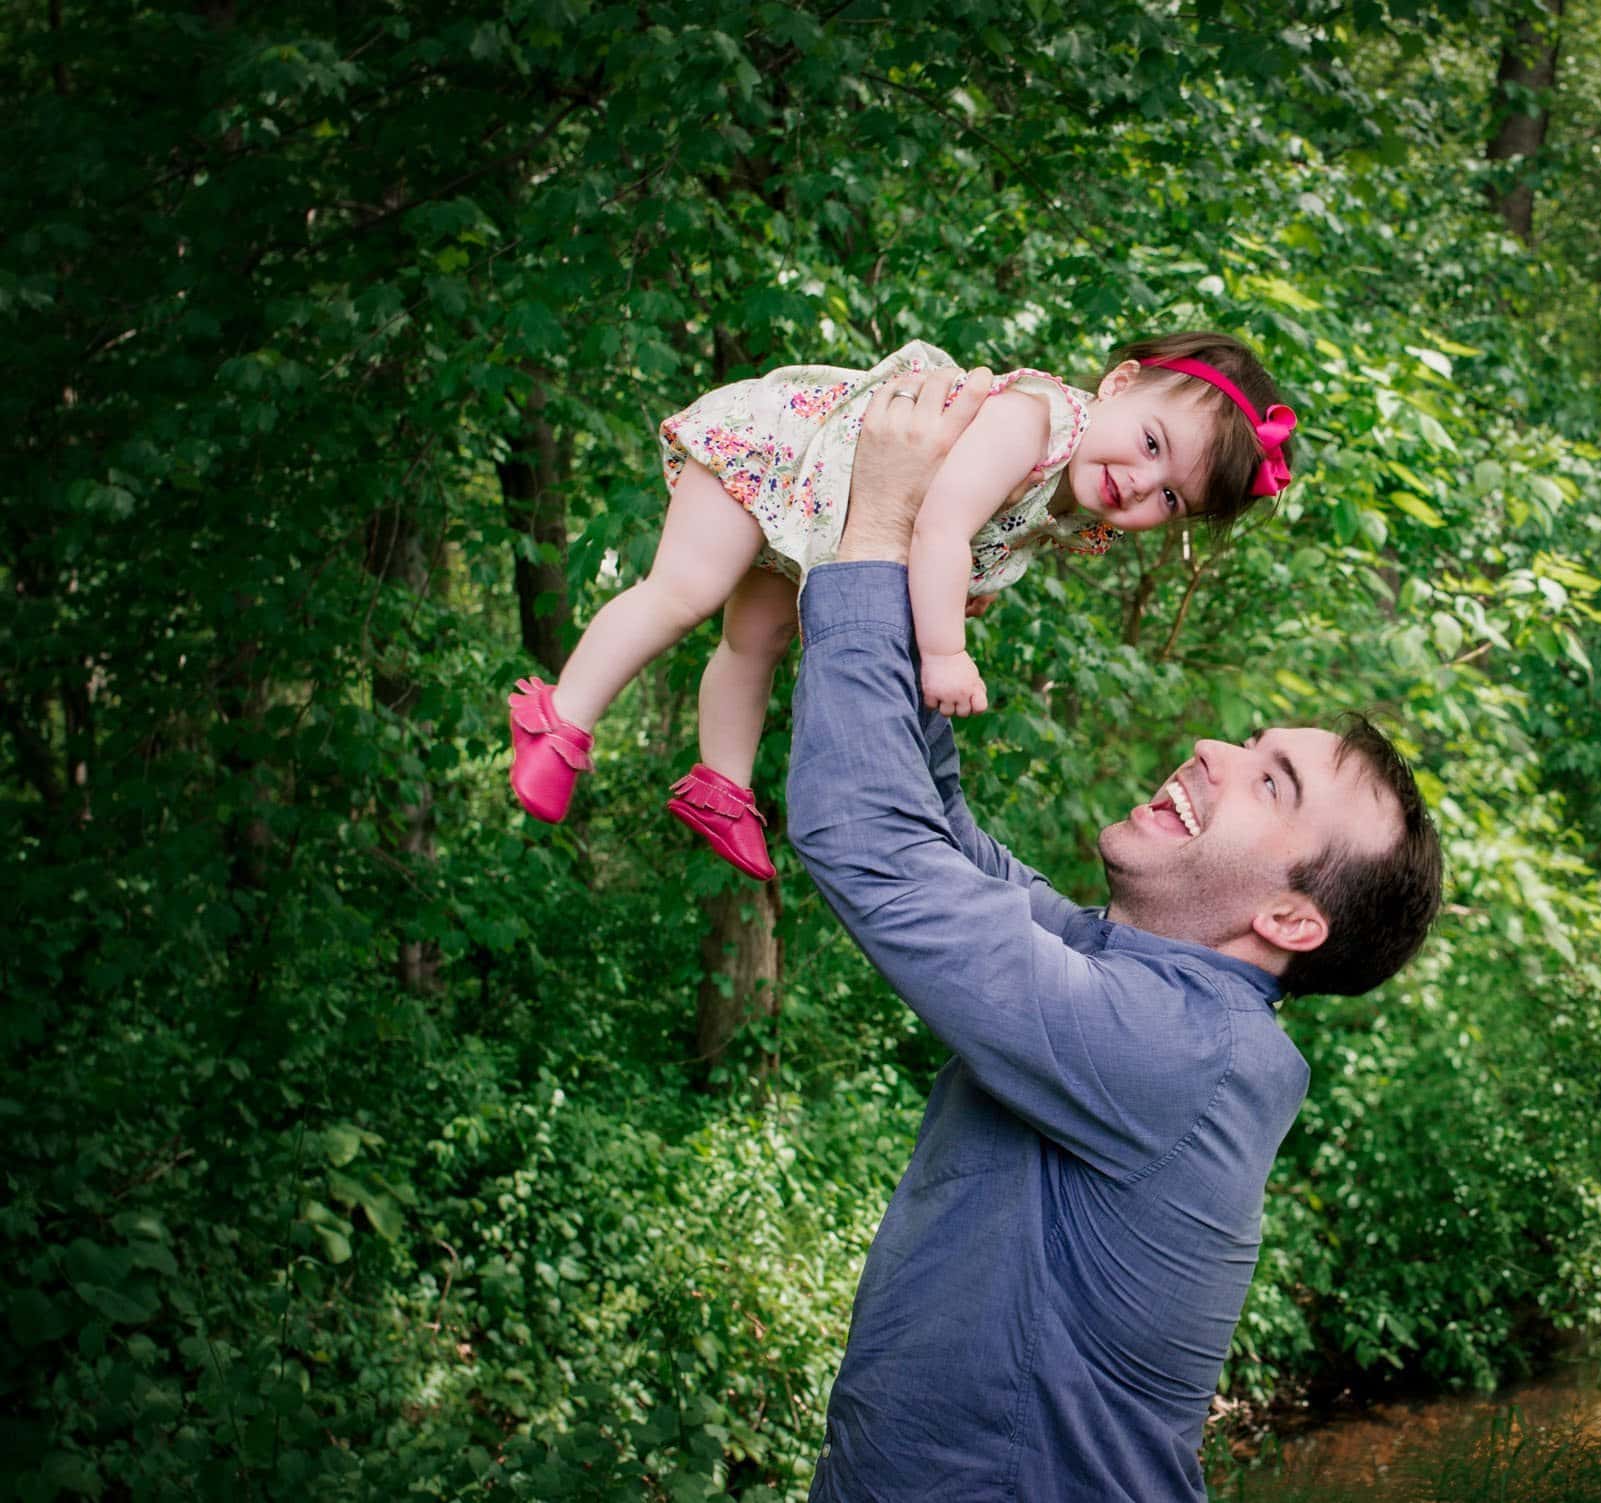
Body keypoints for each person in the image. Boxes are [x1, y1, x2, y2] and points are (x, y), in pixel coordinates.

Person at [786, 367, 1443, 1502]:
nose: (1211, 752)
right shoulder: (1122, 974)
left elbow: (872, 845)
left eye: (1270, 782)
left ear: (1290, 917)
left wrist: (876, 526)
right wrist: (908, 584)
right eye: (1251, 743)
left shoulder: (1178, 1053)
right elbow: (935, 835)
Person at [504, 332, 1295, 883]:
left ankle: (721, 782)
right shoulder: (1039, 417)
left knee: (759, 640)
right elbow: (943, 520)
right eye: (1152, 444)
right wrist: (944, 650)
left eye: (1170, 498)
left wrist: (966, 592)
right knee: (684, 591)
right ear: (1118, 384)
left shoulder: (1073, 504)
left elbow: (971, 545)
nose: (1141, 483)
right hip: (784, 452)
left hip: (821, 518)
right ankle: (561, 714)